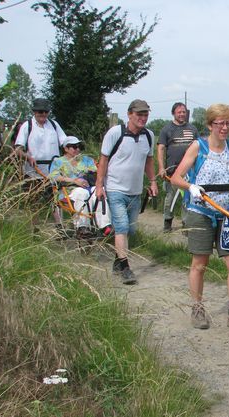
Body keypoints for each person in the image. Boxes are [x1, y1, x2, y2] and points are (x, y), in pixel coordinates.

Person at [170, 103, 229, 332]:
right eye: (220, 123)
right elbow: (176, 178)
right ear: (210, 125)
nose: (225, 128)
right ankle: (197, 308)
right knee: (200, 262)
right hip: (201, 211)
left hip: (228, 212)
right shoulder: (198, 147)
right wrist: (191, 187)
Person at [95, 99, 157, 285]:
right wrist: (99, 185)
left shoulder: (149, 136)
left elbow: (149, 161)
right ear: (129, 114)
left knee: (129, 229)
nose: (143, 118)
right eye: (139, 114)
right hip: (115, 188)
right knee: (121, 226)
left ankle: (117, 260)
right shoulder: (115, 133)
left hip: (135, 190)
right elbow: (104, 160)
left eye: (145, 114)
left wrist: (153, 181)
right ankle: (126, 268)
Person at [14, 98, 67, 228]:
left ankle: (60, 227)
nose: (43, 115)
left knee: (55, 199)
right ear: (35, 112)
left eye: (45, 112)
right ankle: (35, 229)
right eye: (40, 112)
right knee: (34, 202)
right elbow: (18, 149)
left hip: (52, 170)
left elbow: (65, 142)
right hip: (33, 171)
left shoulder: (54, 125)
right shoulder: (28, 126)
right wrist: (28, 157)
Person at [48, 136, 112, 239]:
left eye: (79, 147)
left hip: (88, 186)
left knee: (100, 191)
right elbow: (53, 177)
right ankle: (82, 227)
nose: (77, 149)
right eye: (74, 147)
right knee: (81, 193)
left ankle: (104, 225)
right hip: (68, 190)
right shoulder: (58, 162)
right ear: (66, 149)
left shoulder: (86, 160)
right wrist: (73, 180)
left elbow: (96, 171)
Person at [157, 102, 199, 232]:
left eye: (184, 112)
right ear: (173, 113)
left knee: (188, 198)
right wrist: (161, 167)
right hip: (173, 171)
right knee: (170, 198)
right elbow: (161, 148)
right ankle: (167, 222)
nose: (182, 114)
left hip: (190, 172)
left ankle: (186, 223)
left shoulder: (193, 129)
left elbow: (199, 147)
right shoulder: (166, 129)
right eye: (179, 112)